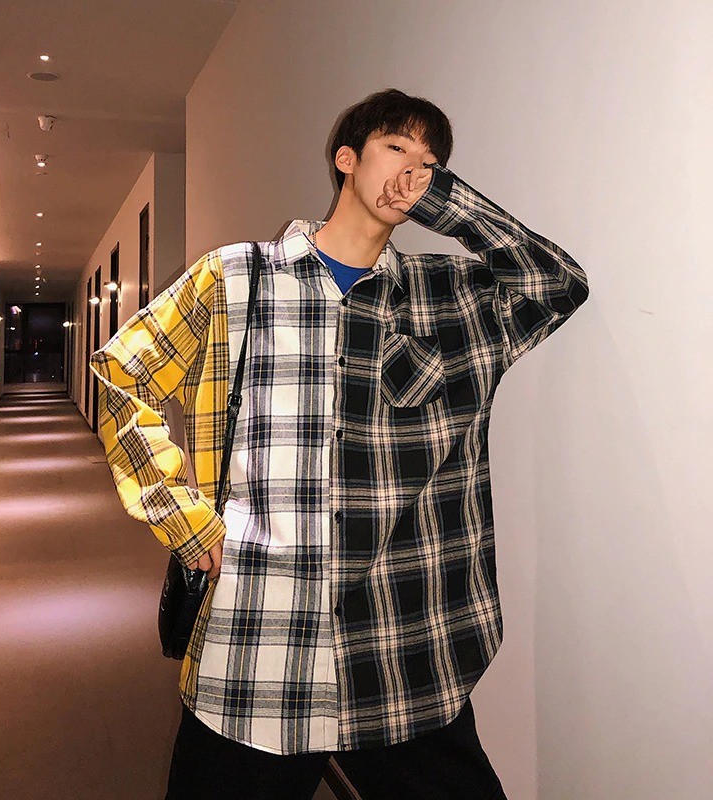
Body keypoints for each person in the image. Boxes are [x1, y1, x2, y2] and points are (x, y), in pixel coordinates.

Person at [89, 87, 589, 799]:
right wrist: (182, 516)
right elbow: (121, 373)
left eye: (431, 163)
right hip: (259, 646)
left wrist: (448, 204)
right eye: (397, 147)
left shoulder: (448, 296)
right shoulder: (236, 277)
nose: (413, 170)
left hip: (403, 647)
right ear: (346, 158)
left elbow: (558, 284)